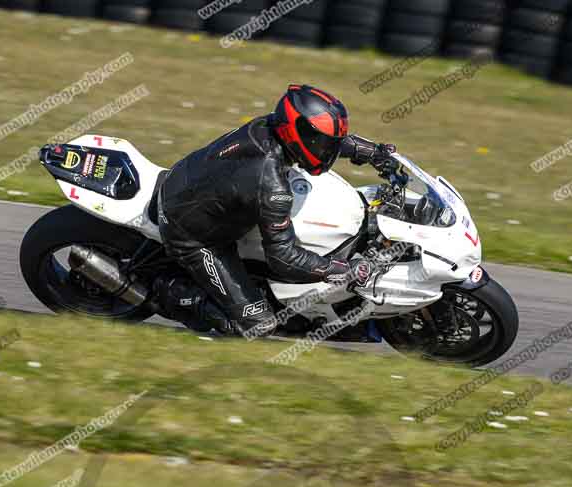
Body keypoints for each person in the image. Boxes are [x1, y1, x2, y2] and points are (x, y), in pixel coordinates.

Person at [153, 84, 397, 337]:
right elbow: (283, 258)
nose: (325, 150)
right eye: (321, 143)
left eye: (328, 143)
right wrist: (341, 270)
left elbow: (320, 139)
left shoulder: (272, 127)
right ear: (295, 132)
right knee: (259, 325)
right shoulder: (271, 184)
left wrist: (369, 151)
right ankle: (169, 291)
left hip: (192, 182)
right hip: (193, 234)